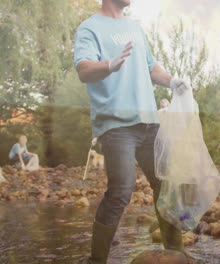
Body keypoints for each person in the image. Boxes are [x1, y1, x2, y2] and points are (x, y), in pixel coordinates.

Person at [74, 0, 191, 263]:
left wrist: (172, 81)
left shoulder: (135, 28)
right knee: (121, 191)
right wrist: (109, 65)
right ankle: (97, 260)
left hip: (150, 122)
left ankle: (176, 252)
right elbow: (83, 70)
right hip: (116, 124)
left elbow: (151, 67)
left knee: (165, 183)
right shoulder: (89, 28)